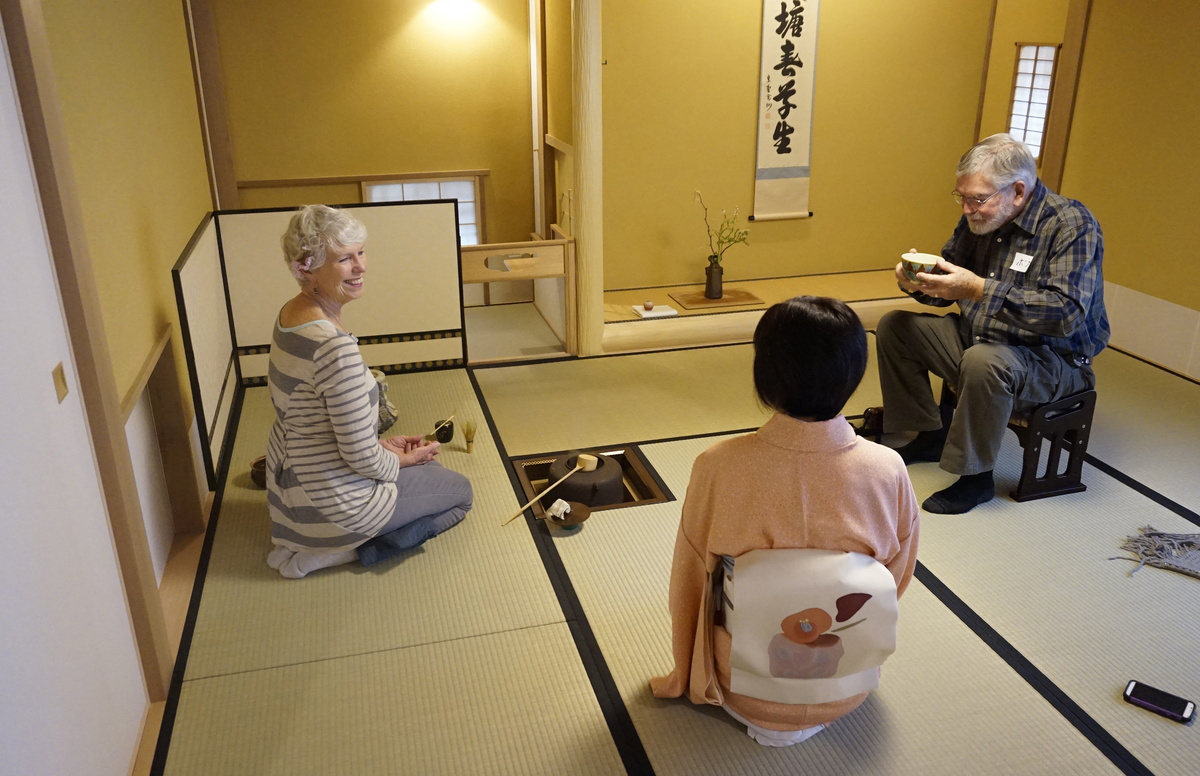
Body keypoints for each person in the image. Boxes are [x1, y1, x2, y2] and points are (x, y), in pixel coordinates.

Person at [650, 296, 920, 746]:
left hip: (743, 682)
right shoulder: (887, 467)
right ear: (853, 376)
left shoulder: (717, 465)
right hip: (846, 680)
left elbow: (692, 580)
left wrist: (687, 671)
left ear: (765, 380)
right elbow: (896, 576)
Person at [876, 133, 1110, 514]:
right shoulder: (982, 217)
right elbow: (953, 288)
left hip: (1052, 363)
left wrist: (981, 289)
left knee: (985, 361)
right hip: (980, 340)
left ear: (1018, 191)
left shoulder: (1072, 226)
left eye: (977, 199)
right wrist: (920, 283)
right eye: (962, 197)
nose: (968, 209)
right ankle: (930, 433)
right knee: (897, 328)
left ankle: (975, 478)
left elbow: (1066, 313)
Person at [264, 204, 473, 579]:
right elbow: (360, 458)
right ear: (307, 269)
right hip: (334, 506)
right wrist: (398, 461)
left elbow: (316, 421)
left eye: (360, 252)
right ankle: (342, 551)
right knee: (459, 494)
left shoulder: (289, 317)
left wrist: (383, 447)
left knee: (426, 467)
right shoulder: (334, 348)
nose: (361, 266)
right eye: (345, 259)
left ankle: (306, 543)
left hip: (290, 497)